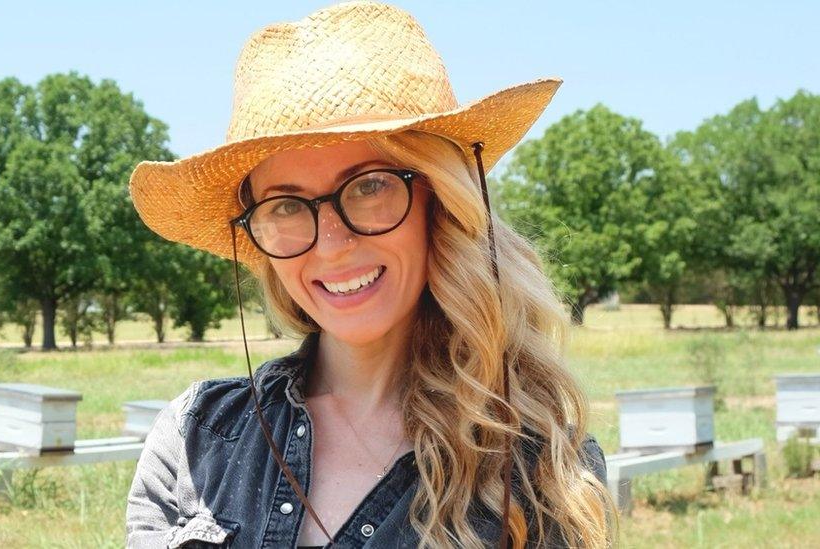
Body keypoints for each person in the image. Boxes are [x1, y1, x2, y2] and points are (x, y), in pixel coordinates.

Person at [125, 1, 614, 548]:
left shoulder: (540, 470)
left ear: (442, 203)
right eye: (285, 205)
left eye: (369, 186)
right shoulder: (197, 440)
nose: (333, 246)